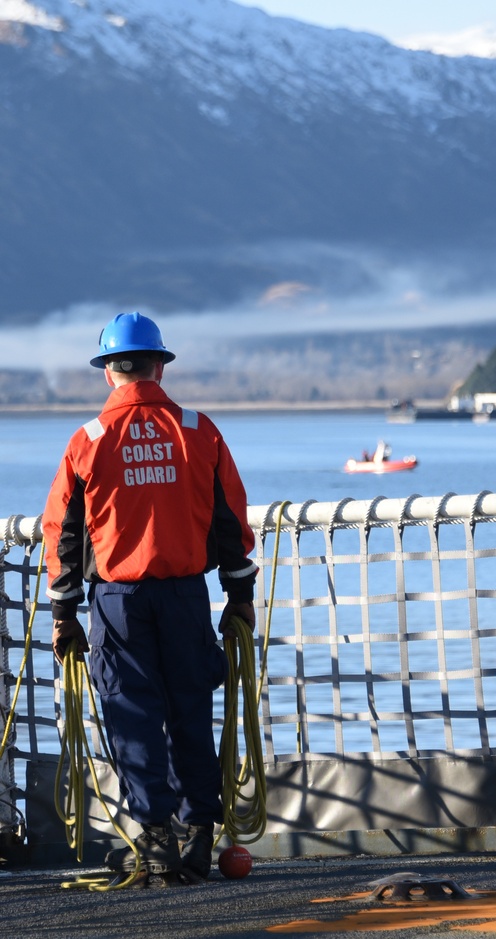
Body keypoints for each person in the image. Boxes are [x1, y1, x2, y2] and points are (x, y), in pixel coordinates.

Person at [41, 311, 258, 883]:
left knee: (132, 716)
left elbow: (60, 534)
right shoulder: (198, 428)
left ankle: (155, 839)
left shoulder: (87, 440)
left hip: (118, 603)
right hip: (187, 596)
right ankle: (200, 834)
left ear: (108, 372)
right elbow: (231, 521)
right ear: (159, 366)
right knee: (191, 710)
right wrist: (239, 596)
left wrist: (63, 612)